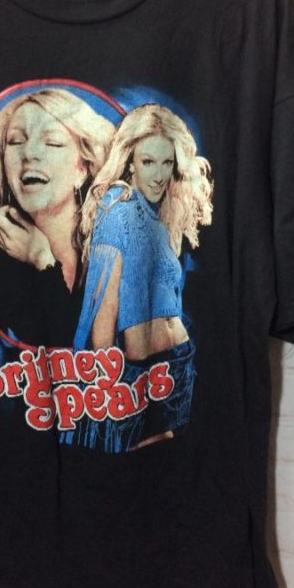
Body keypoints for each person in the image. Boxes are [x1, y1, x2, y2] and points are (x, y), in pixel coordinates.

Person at [71, 103, 213, 452]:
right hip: (141, 375)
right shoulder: (118, 211)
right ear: (130, 161)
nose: (160, 174)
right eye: (149, 161)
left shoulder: (155, 219)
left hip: (177, 366)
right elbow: (102, 319)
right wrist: (109, 389)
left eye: (167, 162)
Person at [0, 88, 114, 348]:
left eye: (52, 142)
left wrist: (42, 260)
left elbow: (80, 354)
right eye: (15, 141)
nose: (29, 153)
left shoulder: (114, 248)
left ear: (82, 169)